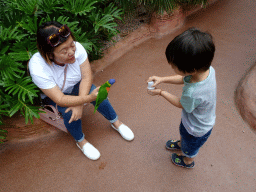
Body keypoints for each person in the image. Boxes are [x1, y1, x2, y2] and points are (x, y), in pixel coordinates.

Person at [29, 21, 134, 161]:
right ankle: (81, 141)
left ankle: (116, 122)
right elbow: (60, 99)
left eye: (72, 45)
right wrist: (86, 99)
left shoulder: (77, 48)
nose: (72, 52)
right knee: (69, 112)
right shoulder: (37, 67)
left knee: (98, 95)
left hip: (77, 85)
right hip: (56, 95)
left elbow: (86, 76)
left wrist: (81, 102)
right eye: (64, 51)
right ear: (49, 55)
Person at [147, 28, 216, 168]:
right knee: (184, 135)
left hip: (196, 129)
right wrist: (162, 79)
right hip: (192, 121)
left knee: (190, 147)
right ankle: (181, 144)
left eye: (174, 66)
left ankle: (188, 161)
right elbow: (184, 78)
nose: (172, 66)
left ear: (192, 70)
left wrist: (160, 92)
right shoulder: (207, 69)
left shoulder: (194, 92)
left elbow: (180, 103)